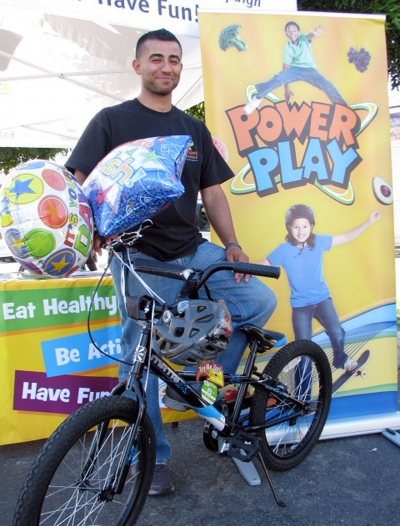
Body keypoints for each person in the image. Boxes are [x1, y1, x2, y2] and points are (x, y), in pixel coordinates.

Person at [66, 28, 276, 496]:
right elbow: (79, 182)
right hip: (139, 257)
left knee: (258, 300)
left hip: (193, 250)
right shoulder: (111, 120)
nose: (167, 67)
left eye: (175, 60)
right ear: (138, 66)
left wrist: (233, 244)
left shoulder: (191, 127)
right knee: (137, 361)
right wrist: (88, 233)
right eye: (156, 59)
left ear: (182, 67)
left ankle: (201, 378)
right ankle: (152, 459)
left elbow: (213, 192)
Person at [258, 204, 380, 373]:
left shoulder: (318, 242)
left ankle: (341, 360)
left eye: (305, 226)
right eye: (296, 227)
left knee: (337, 332)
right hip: (300, 306)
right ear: (289, 228)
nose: (301, 231)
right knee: (303, 350)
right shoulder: (283, 250)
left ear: (311, 226)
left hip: (322, 299)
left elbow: (345, 237)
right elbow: (262, 265)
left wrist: (368, 222)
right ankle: (303, 395)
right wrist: (240, 270)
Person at [244, 21, 347, 115]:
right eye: (289, 31)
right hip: (295, 70)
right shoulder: (288, 47)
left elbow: (309, 36)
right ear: (286, 34)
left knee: (328, 85)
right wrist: (286, 88)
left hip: (311, 70)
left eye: (294, 30)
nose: (292, 32)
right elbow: (285, 67)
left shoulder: (303, 38)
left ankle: (344, 109)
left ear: (298, 32)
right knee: (277, 78)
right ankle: (257, 98)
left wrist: (314, 34)